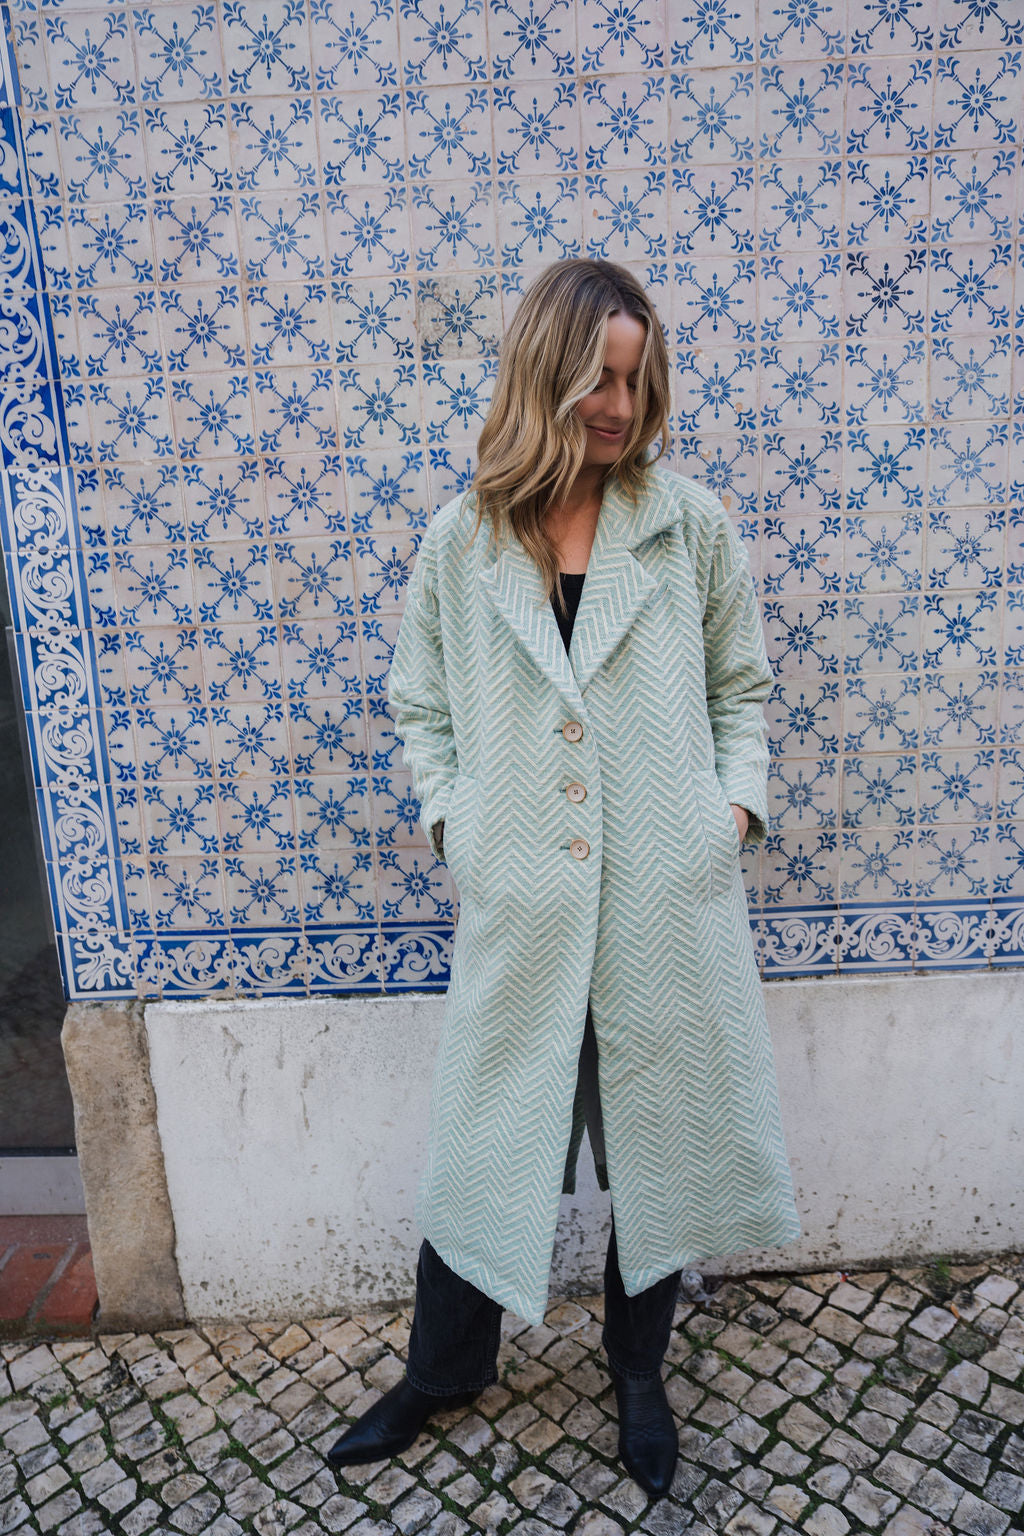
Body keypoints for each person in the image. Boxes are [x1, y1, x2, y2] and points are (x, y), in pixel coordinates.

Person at [327, 258, 801, 1498]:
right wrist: (457, 827)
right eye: (599, 378)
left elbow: (740, 688)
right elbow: (421, 706)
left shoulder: (687, 525)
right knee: (487, 1136)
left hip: (663, 894)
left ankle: (638, 1375)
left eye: (636, 382)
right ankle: (442, 1371)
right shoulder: (464, 539)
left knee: (656, 1138)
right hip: (524, 895)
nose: (619, 407)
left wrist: (728, 816)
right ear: (545, 374)